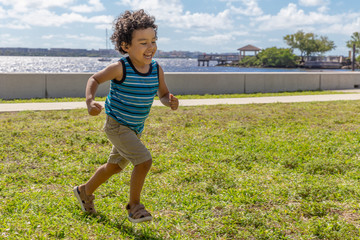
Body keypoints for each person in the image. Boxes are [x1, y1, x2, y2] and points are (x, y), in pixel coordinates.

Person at [73, 9, 179, 223]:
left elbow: (163, 94)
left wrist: (170, 101)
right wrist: (90, 101)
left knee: (114, 167)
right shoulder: (121, 67)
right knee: (144, 161)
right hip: (117, 125)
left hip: (134, 129)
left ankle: (85, 191)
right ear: (125, 46)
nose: (150, 48)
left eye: (153, 41)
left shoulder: (156, 69)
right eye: (143, 42)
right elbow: (94, 79)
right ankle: (134, 206)